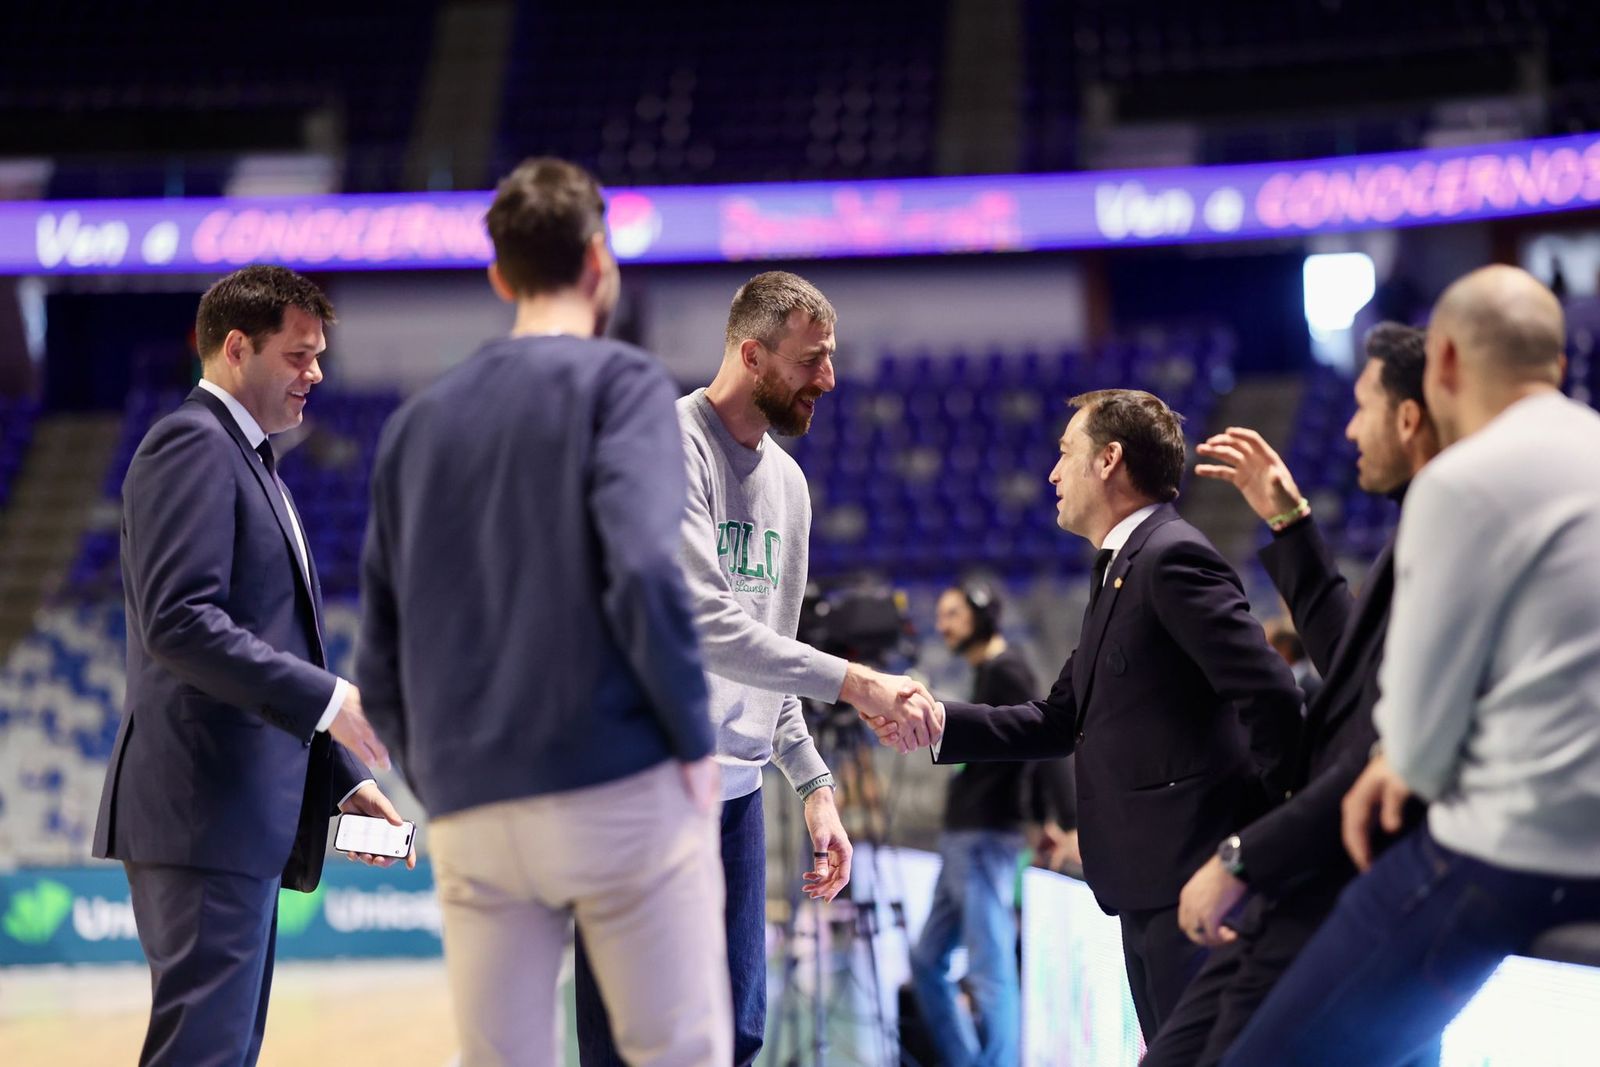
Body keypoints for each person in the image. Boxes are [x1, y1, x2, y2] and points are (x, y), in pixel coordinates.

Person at [356, 158, 730, 1067]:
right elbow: (644, 569)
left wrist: (438, 775)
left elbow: (381, 643)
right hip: (617, 784)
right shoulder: (624, 384)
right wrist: (691, 738)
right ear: (599, 260)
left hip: (473, 801)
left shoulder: (418, 420)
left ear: (499, 275)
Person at [1221, 265, 1600, 1065]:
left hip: (1514, 854)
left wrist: (1397, 758)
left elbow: (1420, 746)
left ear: (1448, 365)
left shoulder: (1459, 483)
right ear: (1556, 367)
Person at [573, 270, 937, 1067]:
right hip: (642, 792)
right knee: (634, 1039)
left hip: (734, 796)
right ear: (752, 354)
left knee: (736, 1034)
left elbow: (768, 649)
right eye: (812, 360)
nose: (829, 380)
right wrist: (859, 680)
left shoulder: (790, 487)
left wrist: (814, 786)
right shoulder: (664, 446)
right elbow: (708, 625)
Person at [870, 388, 1303, 1040]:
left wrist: (1248, 850)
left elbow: (1273, 696)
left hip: (1193, 881)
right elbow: (1058, 718)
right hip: (1149, 884)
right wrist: (936, 721)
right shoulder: (1122, 568)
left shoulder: (1171, 557)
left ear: (1109, 460)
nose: (1053, 472)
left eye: (1066, 452)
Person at [92, 265, 410, 1067]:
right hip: (204, 810)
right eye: (299, 355)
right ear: (237, 349)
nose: (317, 373)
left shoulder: (249, 457)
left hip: (231, 814)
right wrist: (330, 695)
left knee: (221, 1052)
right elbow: (180, 622)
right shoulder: (191, 444)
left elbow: (261, 645)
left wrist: (341, 776)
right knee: (203, 1053)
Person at [1141, 322, 1440, 1067]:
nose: (1348, 426)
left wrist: (1244, 856)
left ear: (1409, 417)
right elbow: (1350, 668)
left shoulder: (1452, 536)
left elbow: (1378, 745)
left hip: (1347, 891)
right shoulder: (1423, 525)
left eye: (1363, 404)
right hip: (1307, 884)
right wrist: (1290, 522)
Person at [909, 580, 1077, 1067]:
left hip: (985, 838)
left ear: (982, 616)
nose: (942, 626)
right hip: (964, 838)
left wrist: (1067, 821)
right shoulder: (988, 671)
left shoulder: (1009, 670)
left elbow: (1045, 744)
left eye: (953, 614)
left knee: (989, 968)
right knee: (927, 963)